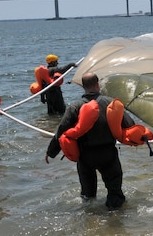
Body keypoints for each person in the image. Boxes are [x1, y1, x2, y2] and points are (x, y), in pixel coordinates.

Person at [46, 72, 134, 210]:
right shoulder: (111, 103)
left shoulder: (75, 107)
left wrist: (50, 152)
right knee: (115, 193)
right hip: (108, 154)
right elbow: (130, 125)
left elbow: (61, 130)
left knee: (88, 197)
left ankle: (90, 223)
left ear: (83, 86)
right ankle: (116, 222)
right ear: (97, 85)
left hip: (85, 156)